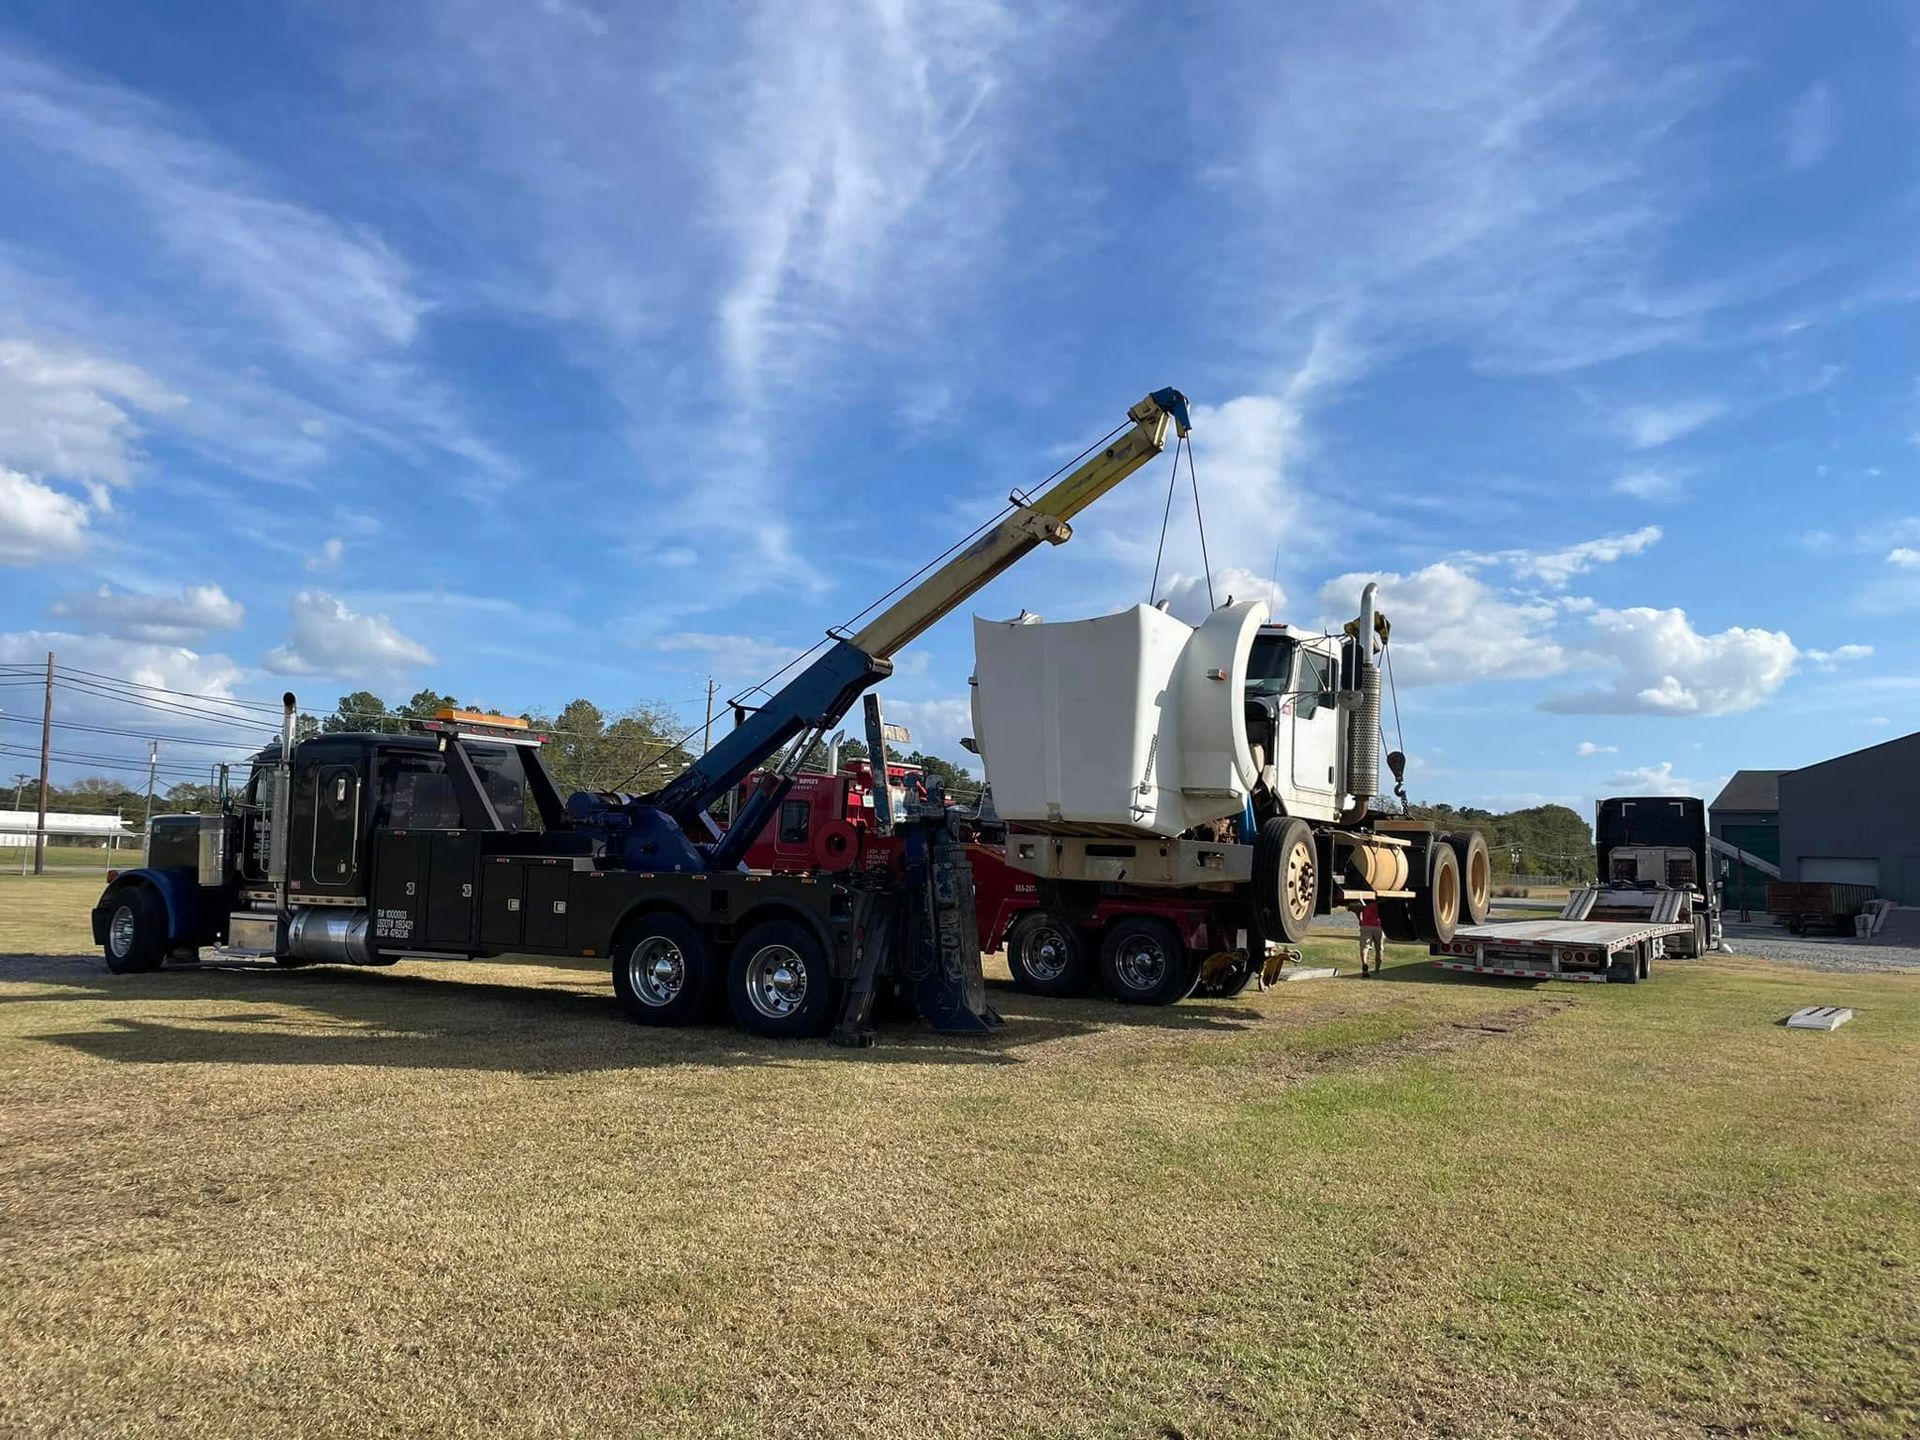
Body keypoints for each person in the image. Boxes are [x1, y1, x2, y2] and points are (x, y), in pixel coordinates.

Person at [1357, 900, 1385, 977]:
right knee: (1379, 948)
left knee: (1364, 947)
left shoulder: (1364, 900)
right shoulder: (1380, 902)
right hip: (1378, 926)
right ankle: (1377, 969)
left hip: (1366, 925)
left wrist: (1360, 920)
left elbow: (1357, 910)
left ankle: (1364, 964)